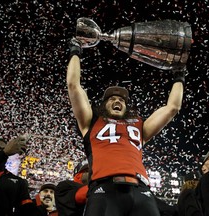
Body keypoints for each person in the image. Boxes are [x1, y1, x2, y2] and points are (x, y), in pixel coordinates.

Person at [66, 37, 186, 216]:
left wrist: (179, 76)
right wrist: (75, 51)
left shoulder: (139, 126)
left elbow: (172, 108)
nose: (117, 101)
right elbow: (73, 85)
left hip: (140, 190)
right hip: (104, 189)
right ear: (103, 105)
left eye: (121, 100)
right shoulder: (91, 121)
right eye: (112, 99)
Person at [0, 135, 40, 216]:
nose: (0, 151)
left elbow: (27, 210)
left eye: (4, 149)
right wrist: (4, 153)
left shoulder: (19, 182)